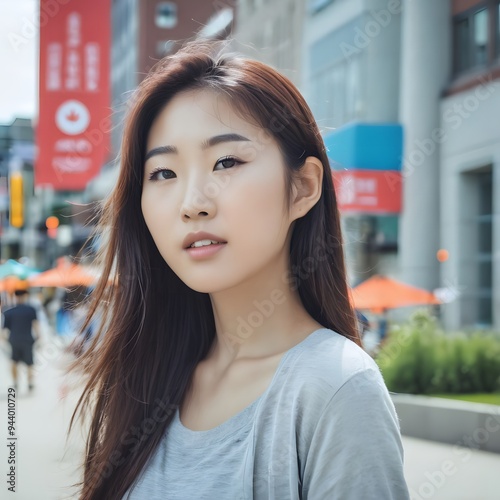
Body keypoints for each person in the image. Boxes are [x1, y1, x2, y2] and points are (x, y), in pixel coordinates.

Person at [71, 39, 409, 499]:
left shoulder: (335, 389)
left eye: (226, 161)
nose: (192, 204)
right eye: (164, 174)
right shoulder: (147, 377)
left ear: (303, 187)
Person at [2, 289, 40, 391]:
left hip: (14, 339)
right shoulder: (31, 310)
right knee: (30, 362)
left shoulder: (9, 312)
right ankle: (30, 383)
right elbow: (36, 324)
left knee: (14, 361)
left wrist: (5, 341)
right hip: (27, 339)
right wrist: (38, 336)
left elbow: (4, 330)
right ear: (25, 296)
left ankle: (15, 382)